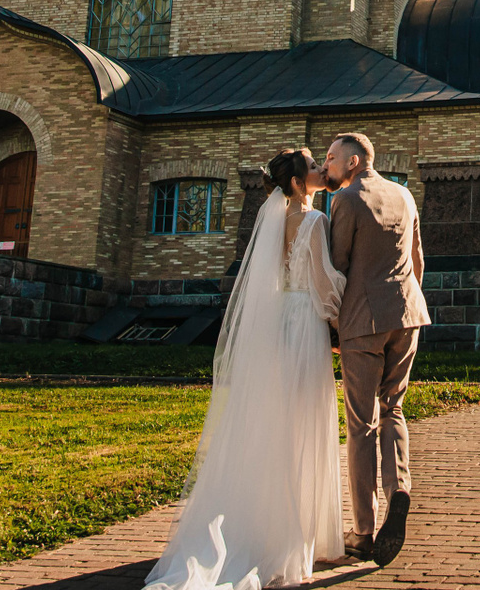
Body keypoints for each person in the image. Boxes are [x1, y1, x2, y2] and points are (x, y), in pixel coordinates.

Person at [144, 148, 346, 590]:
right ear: (298, 184)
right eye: (313, 167)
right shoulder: (314, 220)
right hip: (304, 321)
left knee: (276, 421)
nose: (319, 170)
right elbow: (323, 282)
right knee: (304, 418)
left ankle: (264, 523)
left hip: (278, 319)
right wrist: (343, 308)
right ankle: (297, 534)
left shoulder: (272, 222)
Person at [327, 132, 431, 568]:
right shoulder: (405, 195)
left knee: (361, 424)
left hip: (362, 321)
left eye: (331, 158)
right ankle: (399, 488)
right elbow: (418, 261)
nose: (327, 166)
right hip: (408, 316)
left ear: (353, 162)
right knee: (394, 408)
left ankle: (364, 531)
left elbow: (337, 266)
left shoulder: (346, 200)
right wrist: (404, 305)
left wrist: (333, 326)